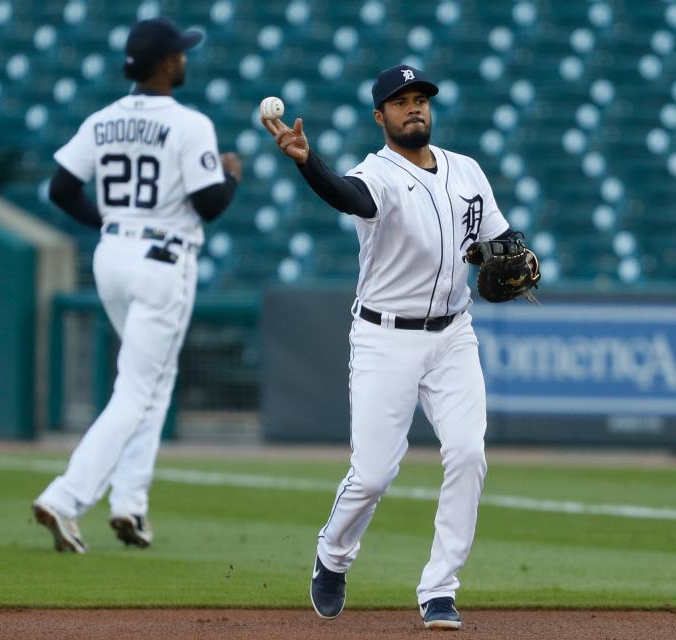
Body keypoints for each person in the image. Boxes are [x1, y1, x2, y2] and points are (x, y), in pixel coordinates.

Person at [262, 65, 535, 630]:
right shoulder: (377, 174)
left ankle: (440, 588)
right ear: (379, 116)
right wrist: (308, 162)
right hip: (385, 337)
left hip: (454, 335)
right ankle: (333, 557)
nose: (414, 108)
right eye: (400, 101)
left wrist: (516, 252)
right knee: (374, 474)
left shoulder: (467, 171)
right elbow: (347, 196)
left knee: (467, 454)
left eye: (421, 99)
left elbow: (501, 238)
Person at [32, 17, 241, 553]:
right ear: (168, 64)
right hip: (162, 260)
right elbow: (209, 203)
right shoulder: (188, 123)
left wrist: (106, 222)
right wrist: (232, 175)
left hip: (113, 256)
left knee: (153, 381)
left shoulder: (104, 119)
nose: (185, 60)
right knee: (137, 389)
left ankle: (130, 503)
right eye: (181, 54)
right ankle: (66, 496)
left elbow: (60, 189)